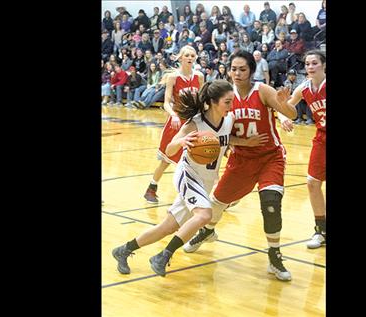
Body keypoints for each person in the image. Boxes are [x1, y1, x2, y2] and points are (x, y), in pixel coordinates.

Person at [112, 80, 266, 276]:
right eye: (227, 102)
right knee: (204, 215)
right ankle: (163, 256)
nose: (231, 105)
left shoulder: (228, 120)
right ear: (212, 102)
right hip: (188, 175)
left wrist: (247, 142)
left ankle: (123, 250)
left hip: (206, 181)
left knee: (167, 227)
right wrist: (182, 141)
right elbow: (170, 149)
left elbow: (225, 139)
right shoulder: (196, 122)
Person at [183, 50, 297, 281]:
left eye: (242, 69)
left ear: (251, 71)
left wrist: (284, 107)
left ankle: (274, 255)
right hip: (241, 159)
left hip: (269, 157)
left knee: (271, 203)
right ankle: (207, 231)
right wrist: (241, 142)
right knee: (216, 205)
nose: (237, 73)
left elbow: (292, 113)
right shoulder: (225, 94)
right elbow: (217, 129)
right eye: (233, 69)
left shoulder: (262, 91)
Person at [143, 46, 204, 203]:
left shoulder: (199, 76)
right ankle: (151, 187)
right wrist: (174, 115)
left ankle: (203, 193)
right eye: (187, 55)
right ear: (181, 58)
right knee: (166, 161)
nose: (190, 58)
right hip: (176, 123)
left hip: (194, 121)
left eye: (192, 55)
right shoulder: (173, 78)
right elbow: (167, 103)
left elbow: (203, 99)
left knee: (198, 158)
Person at [282, 50, 326, 248]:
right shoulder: (304, 88)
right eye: (307, 64)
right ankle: (321, 229)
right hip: (322, 138)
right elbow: (286, 106)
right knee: (312, 182)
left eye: (314, 63)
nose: (310, 67)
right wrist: (283, 117)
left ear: (323, 65)